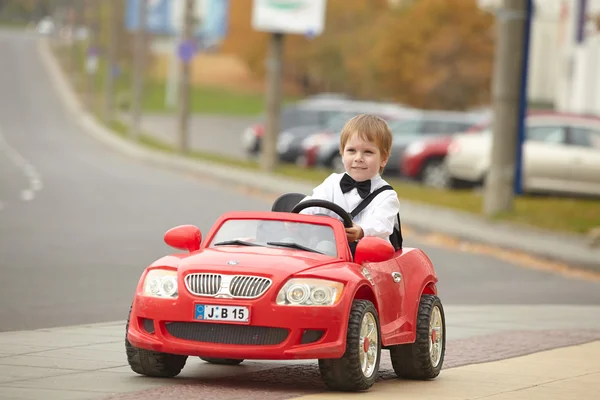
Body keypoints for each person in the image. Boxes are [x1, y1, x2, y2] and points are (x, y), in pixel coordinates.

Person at [299, 114, 401, 253]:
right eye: (351, 151)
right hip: (327, 252)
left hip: (366, 259)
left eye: (368, 152)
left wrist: (361, 231)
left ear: (383, 159)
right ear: (342, 154)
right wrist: (298, 218)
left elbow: (382, 224)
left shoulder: (386, 195)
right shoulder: (332, 182)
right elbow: (313, 204)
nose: (358, 158)